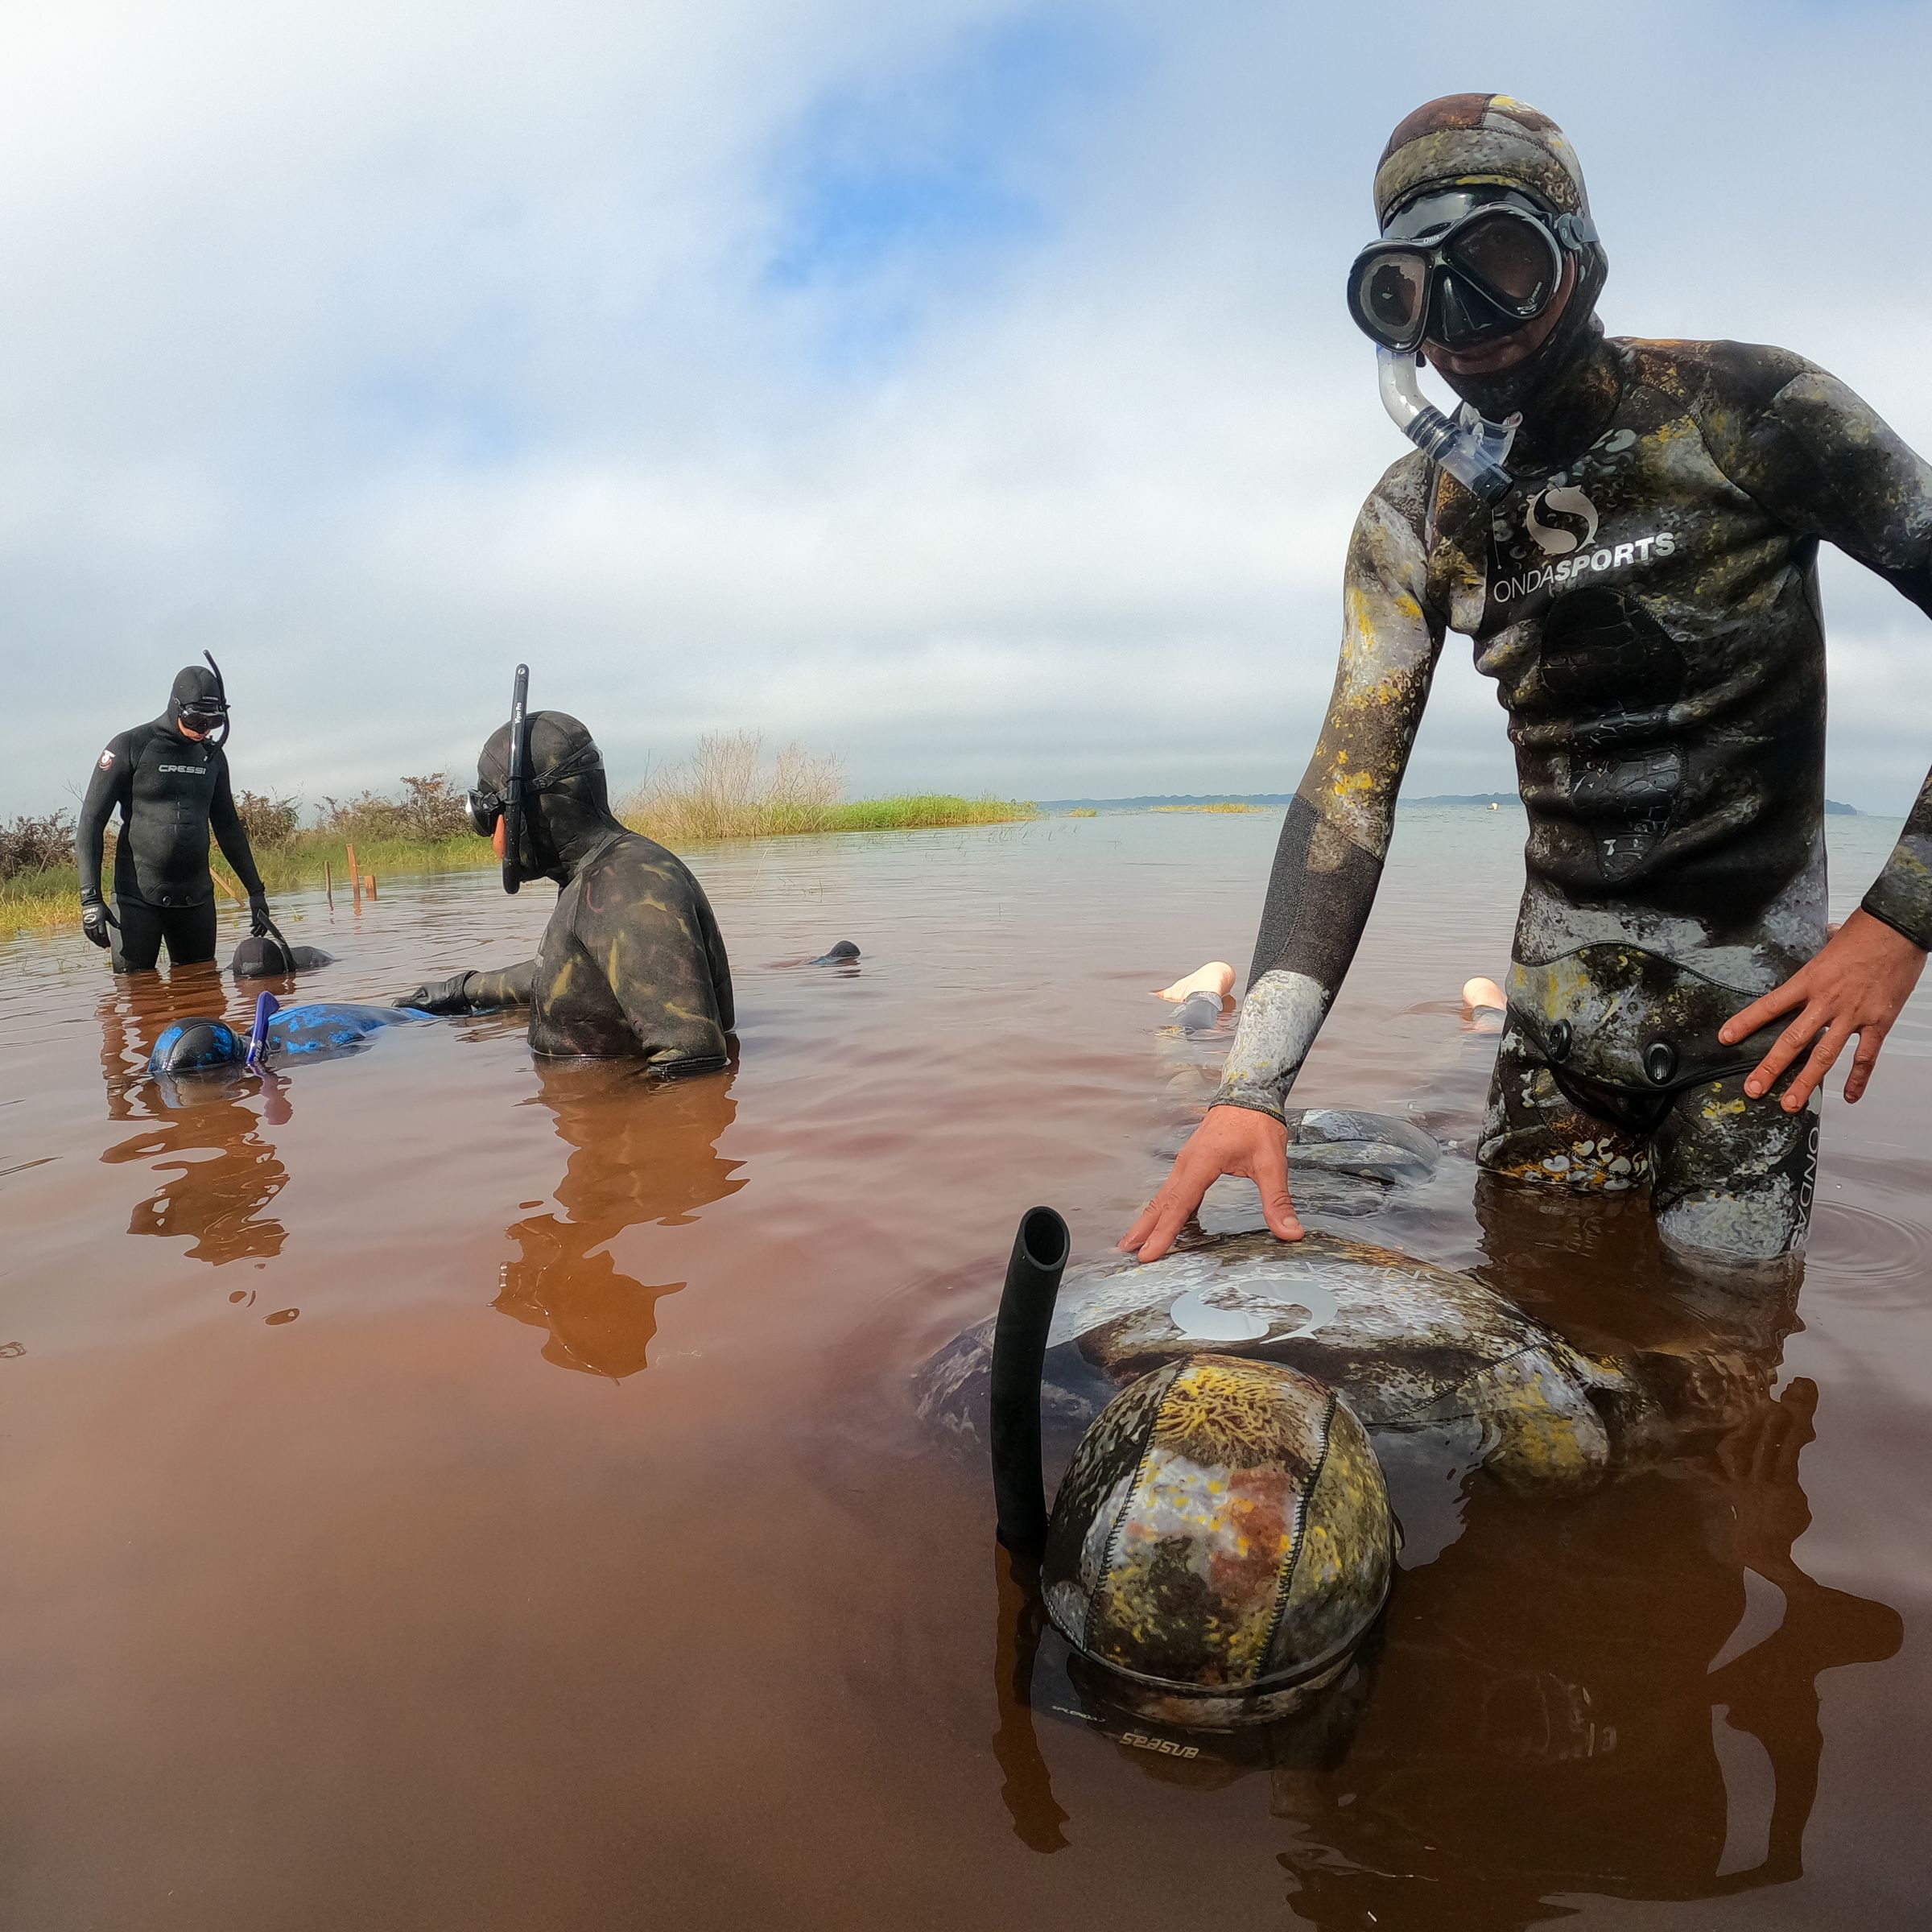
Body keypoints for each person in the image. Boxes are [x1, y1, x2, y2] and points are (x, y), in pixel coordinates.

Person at [1125, 94, 1932, 1266]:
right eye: (1414, 290)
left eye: (1498, 262)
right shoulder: (1414, 518)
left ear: (1579, 257)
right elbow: (1347, 801)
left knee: (1725, 1388)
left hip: (1751, 1044)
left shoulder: (1750, 413)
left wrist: (1898, 923)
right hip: (1550, 1045)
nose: (1466, 324)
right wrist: (1250, 1088)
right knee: (1531, 1362)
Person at [397, 704, 734, 1069]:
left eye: (490, 817)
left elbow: (693, 1063)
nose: (491, 836)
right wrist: (467, 989)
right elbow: (572, 973)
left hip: (607, 1117)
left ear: (526, 809)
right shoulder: (601, 877)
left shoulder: (625, 886)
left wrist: (621, 1124)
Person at [76, 658, 278, 973]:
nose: (203, 730)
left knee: (202, 991)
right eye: (196, 720)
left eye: (213, 723)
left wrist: (256, 893)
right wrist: (90, 901)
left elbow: (228, 827)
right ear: (176, 706)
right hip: (137, 898)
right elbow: (90, 824)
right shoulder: (129, 746)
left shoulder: (212, 756)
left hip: (196, 899)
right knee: (138, 995)